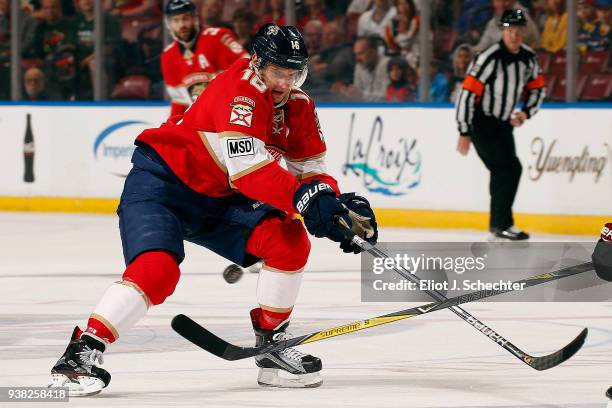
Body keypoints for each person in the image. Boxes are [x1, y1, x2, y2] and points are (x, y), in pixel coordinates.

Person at [47, 23, 378, 396]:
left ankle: (271, 345)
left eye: (293, 73)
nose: (285, 83)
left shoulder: (299, 107)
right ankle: (81, 353)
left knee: (288, 240)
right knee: (157, 270)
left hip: (221, 195)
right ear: (257, 64)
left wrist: (336, 204)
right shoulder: (240, 91)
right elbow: (251, 172)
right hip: (164, 184)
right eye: (277, 72)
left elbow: (312, 172)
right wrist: (310, 201)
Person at [455, 9, 545, 241]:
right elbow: (467, 93)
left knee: (506, 170)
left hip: (503, 125)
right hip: (481, 123)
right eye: (509, 30)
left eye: (518, 31)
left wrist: (525, 113)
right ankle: (501, 224)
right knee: (507, 169)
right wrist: (464, 130)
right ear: (503, 31)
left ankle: (499, 225)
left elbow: (538, 88)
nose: (514, 35)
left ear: (524, 32)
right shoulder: (489, 57)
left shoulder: (528, 57)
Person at [161, 0, 248, 117]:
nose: (181, 25)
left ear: (195, 18)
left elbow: (247, 67)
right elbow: (180, 102)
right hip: (202, 119)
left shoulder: (218, 37)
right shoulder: (168, 56)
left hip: (232, 111)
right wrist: (171, 127)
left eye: (185, 18)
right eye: (176, 20)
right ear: (169, 24)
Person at [476, 0, 540, 51]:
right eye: (498, 1)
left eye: (506, 0)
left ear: (513, 1)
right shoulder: (493, 22)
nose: (501, 4)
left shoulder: (520, 15)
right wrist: (468, 51)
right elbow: (482, 46)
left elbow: (514, 46)